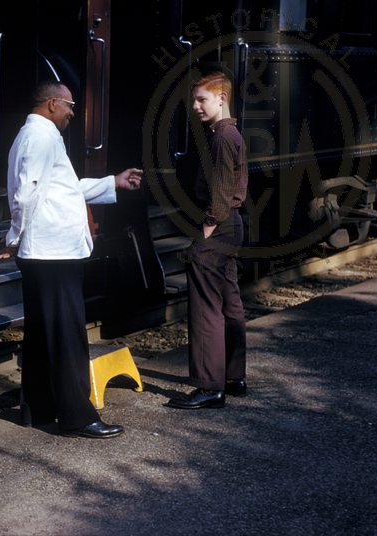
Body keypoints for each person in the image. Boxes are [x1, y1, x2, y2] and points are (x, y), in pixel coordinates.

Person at [0, 81, 142, 438]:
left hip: (48, 251)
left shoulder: (36, 135)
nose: (72, 113)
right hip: (51, 251)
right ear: (51, 104)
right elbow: (27, 191)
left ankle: (40, 408)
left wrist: (113, 182)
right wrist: (14, 237)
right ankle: (78, 417)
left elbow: (64, 187)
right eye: (69, 106)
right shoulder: (41, 137)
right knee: (66, 334)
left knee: (43, 333)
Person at [166, 72, 248, 410]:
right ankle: (233, 377)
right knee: (229, 301)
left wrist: (209, 226)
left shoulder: (221, 138)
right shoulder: (230, 133)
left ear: (221, 99)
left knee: (205, 307)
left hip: (220, 226)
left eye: (202, 99)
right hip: (233, 227)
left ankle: (209, 387)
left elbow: (222, 190)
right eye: (194, 99)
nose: (196, 106)